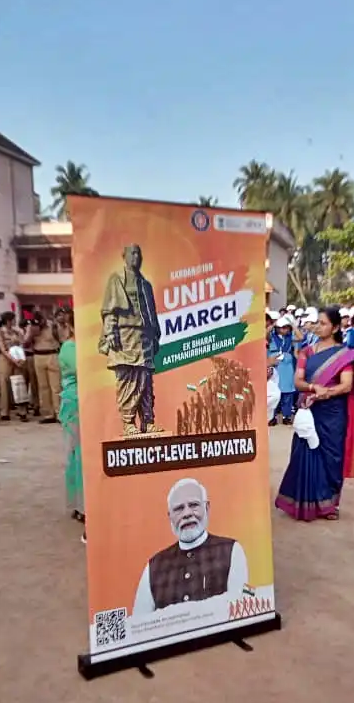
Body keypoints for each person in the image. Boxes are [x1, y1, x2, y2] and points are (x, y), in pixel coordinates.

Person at [275, 306, 354, 522]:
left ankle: (329, 505)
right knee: (305, 453)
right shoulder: (307, 352)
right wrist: (315, 389)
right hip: (310, 409)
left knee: (332, 456)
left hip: (332, 413)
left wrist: (325, 393)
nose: (318, 327)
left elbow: (346, 385)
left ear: (334, 328)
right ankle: (303, 503)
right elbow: (298, 381)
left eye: (323, 324)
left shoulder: (344, 355)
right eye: (318, 323)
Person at [133, 478, 248, 614]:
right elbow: (140, 622)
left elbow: (240, 607)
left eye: (193, 505)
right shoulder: (153, 567)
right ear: (170, 516)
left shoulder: (232, 551)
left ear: (207, 508)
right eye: (179, 509)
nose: (187, 514)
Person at [98, 243, 162, 437]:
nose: (136, 257)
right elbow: (110, 310)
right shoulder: (117, 279)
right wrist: (110, 333)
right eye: (132, 253)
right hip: (125, 336)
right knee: (129, 380)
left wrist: (155, 336)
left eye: (139, 253)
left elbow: (152, 313)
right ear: (124, 256)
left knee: (146, 380)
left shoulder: (145, 284)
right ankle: (128, 421)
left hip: (145, 337)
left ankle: (147, 420)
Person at [57, 310, 85, 537]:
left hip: (88, 404)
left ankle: (84, 504)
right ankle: (79, 506)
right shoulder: (69, 348)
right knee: (76, 454)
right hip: (75, 404)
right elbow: (82, 370)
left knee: (86, 456)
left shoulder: (87, 346)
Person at [27, 311, 60, 422]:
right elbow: (25, 344)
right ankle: (48, 414)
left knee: (55, 386)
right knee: (43, 387)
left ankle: (59, 412)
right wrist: (32, 333)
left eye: (40, 320)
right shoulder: (31, 327)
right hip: (38, 355)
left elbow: (60, 339)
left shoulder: (53, 326)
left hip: (52, 354)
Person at [267, 315, 297, 424]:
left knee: (287, 394)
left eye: (286, 327)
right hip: (275, 367)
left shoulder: (290, 337)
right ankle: (272, 417)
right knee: (274, 393)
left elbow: (301, 337)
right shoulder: (271, 336)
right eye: (282, 327)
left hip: (287, 368)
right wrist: (273, 324)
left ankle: (286, 417)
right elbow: (264, 334)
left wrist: (293, 325)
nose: (284, 329)